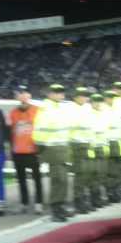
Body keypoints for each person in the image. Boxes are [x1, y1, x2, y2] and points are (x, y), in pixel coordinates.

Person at [33, 84, 72, 222]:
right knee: (58, 179)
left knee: (64, 180)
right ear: (50, 94)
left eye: (62, 92)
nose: (61, 95)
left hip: (62, 148)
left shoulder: (60, 108)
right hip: (52, 149)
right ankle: (55, 208)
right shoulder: (45, 109)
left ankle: (60, 206)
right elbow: (39, 131)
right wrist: (41, 150)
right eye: (57, 92)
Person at [9, 85, 44, 215]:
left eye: (25, 93)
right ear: (17, 96)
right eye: (20, 93)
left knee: (37, 179)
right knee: (21, 179)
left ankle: (39, 203)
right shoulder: (13, 112)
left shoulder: (38, 110)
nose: (23, 96)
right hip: (18, 152)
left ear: (29, 96)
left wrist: (41, 149)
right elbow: (11, 133)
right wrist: (12, 150)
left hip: (33, 150)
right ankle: (24, 203)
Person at [69, 87, 96, 214]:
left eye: (86, 95)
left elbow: (91, 126)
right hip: (77, 143)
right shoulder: (70, 108)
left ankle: (84, 199)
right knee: (79, 174)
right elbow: (75, 123)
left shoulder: (87, 107)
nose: (85, 98)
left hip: (87, 143)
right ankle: (78, 201)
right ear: (75, 97)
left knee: (87, 173)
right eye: (82, 95)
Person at [103, 90, 121, 203]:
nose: (112, 99)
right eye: (110, 97)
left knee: (118, 169)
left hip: (119, 141)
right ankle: (111, 192)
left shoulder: (117, 108)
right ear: (106, 98)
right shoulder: (103, 109)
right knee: (111, 169)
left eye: (113, 97)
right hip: (109, 141)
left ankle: (117, 190)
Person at [89, 93, 110, 208]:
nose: (98, 103)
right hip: (93, 147)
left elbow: (105, 131)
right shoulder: (88, 114)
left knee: (102, 174)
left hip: (102, 146)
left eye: (100, 101)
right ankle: (94, 198)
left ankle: (99, 197)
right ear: (91, 102)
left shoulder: (103, 114)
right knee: (94, 175)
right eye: (95, 101)